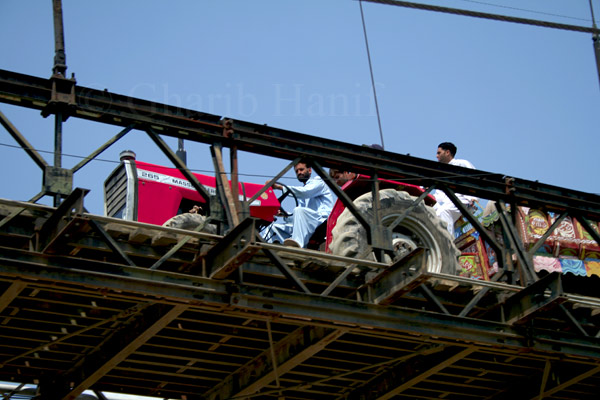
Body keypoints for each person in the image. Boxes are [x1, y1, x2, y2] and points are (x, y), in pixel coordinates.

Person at [264, 161, 334, 248]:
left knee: (298, 210)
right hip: (308, 223)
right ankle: (266, 247)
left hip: (322, 222)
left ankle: (297, 245)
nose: (299, 173)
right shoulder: (301, 196)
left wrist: (279, 187)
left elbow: (305, 192)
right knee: (273, 227)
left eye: (301, 170)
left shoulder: (318, 182)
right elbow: (298, 219)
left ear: (309, 170)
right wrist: (284, 214)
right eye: (296, 171)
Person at [433, 142, 478, 236]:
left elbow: (474, 180)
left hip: (461, 200)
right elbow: (439, 195)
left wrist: (473, 198)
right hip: (447, 202)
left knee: (443, 212)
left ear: (447, 152)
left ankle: (448, 244)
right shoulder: (440, 172)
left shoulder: (461, 163)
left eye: (439, 153)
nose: (436, 156)